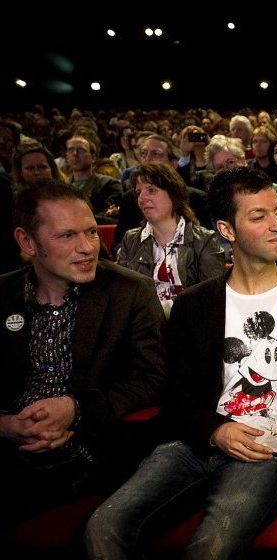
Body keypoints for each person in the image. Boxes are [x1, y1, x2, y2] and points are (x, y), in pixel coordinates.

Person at [86, 167, 277, 559]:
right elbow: (174, 392)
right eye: (259, 217)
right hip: (194, 442)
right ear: (227, 230)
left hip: (269, 448)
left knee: (211, 547)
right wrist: (215, 430)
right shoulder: (196, 304)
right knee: (103, 527)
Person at [1, 181, 165, 529]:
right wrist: (5, 426)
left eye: (91, 231)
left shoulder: (129, 292)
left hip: (91, 451)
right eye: (67, 236)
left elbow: (153, 380)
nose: (88, 247)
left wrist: (74, 409)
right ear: (27, 241)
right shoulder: (3, 294)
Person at [116, 163, 225, 316]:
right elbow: (123, 296)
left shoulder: (204, 240)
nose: (142, 198)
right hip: (143, 329)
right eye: (138, 192)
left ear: (173, 193)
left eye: (151, 190)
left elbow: (213, 299)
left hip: (189, 327)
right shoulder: (131, 240)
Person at [64, 133, 122, 222]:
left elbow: (108, 215)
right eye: (71, 150)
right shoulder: (62, 186)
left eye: (81, 150)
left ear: (93, 157)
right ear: (67, 156)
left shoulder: (109, 184)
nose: (75, 154)